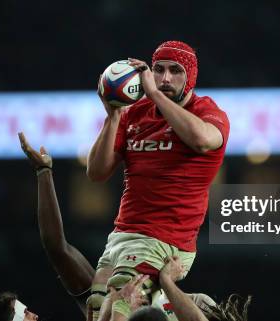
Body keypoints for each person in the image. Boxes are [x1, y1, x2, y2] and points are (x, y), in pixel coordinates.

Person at [18, 133, 250, 321]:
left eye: (24, 312)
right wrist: (165, 283)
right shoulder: (192, 303)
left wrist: (43, 173)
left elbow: (58, 249)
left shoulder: (106, 303)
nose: (33, 314)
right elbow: (58, 249)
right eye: (23, 314)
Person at [86, 40, 231, 319]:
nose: (165, 78)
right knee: (94, 310)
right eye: (159, 70)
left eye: (175, 71)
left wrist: (154, 96)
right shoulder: (134, 114)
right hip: (122, 235)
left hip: (164, 238)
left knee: (120, 310)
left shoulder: (207, 112)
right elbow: (96, 172)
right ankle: (170, 307)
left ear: (190, 77)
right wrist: (113, 116)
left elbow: (202, 141)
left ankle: (167, 303)